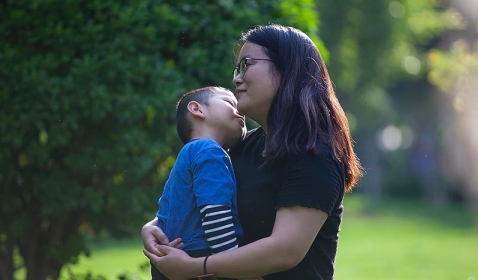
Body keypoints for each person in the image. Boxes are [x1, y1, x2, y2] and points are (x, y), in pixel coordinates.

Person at [142, 24, 363, 280]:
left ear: (287, 67)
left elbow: (285, 251)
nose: (236, 78)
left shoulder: (315, 153)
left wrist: (196, 267)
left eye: (246, 64)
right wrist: (153, 228)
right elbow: (202, 200)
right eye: (236, 69)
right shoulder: (240, 148)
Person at [150, 86, 247, 280]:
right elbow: (214, 213)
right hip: (201, 262)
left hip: (172, 261)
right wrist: (237, 270)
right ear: (197, 109)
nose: (241, 111)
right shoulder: (208, 150)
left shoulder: (189, 154)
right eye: (230, 103)